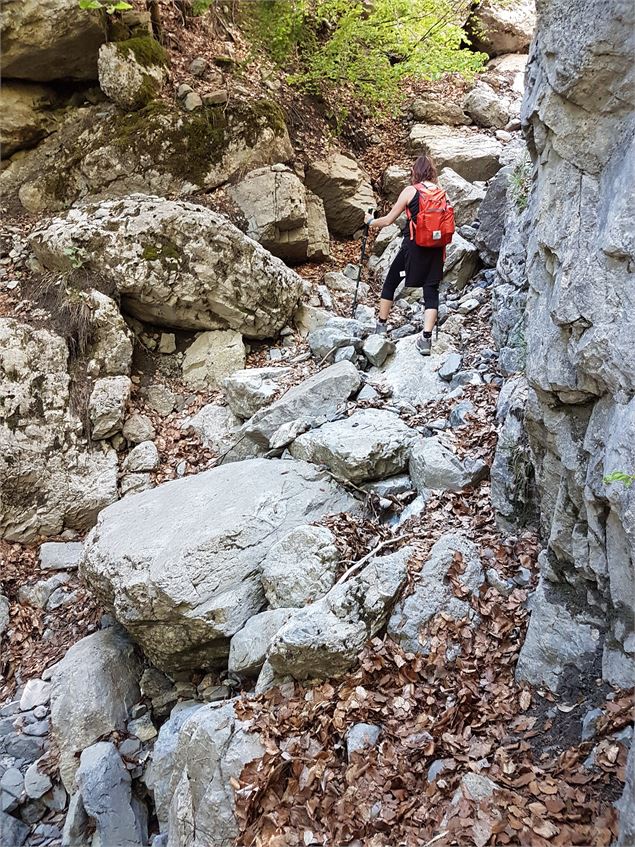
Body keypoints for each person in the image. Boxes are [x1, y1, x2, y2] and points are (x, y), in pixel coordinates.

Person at [364, 154, 444, 356]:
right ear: (432, 171)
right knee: (431, 289)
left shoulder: (411, 191)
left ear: (414, 172)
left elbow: (389, 220)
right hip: (435, 247)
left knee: (391, 281)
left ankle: (381, 327)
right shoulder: (441, 192)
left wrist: (370, 222)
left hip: (414, 246)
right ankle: (426, 339)